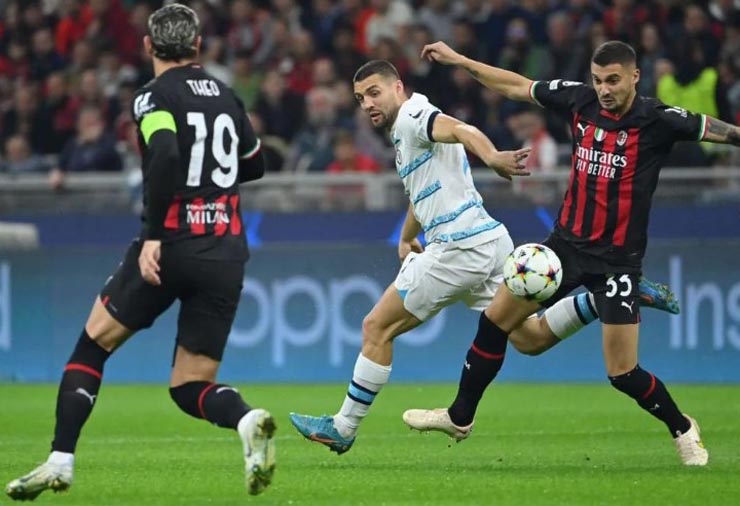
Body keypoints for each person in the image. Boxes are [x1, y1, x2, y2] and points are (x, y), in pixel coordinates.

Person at [288, 59, 680, 455]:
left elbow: (462, 129)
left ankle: (343, 427)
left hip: (456, 248)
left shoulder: (411, 116)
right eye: (360, 98)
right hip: (489, 241)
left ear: (398, 87)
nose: (368, 103)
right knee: (530, 338)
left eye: (374, 93)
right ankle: (604, 298)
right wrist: (406, 237)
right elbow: (421, 191)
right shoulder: (408, 131)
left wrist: (491, 157)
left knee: (376, 327)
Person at [404, 39, 739, 466]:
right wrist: (460, 59)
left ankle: (683, 428)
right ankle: (459, 417)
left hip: (617, 263)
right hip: (563, 249)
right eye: (598, 80)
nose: (604, 89)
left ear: (635, 77)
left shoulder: (658, 119)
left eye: (613, 80)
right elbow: (516, 86)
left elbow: (720, 131)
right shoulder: (580, 100)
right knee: (494, 323)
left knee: (623, 374)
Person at [5, 4, 275, 501]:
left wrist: (153, 234)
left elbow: (167, 151)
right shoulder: (227, 96)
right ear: (197, 46)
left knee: (92, 346)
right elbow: (255, 164)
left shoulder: (154, 96)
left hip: (169, 245)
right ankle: (246, 419)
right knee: (189, 385)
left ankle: (60, 460)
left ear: (148, 46)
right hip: (225, 251)